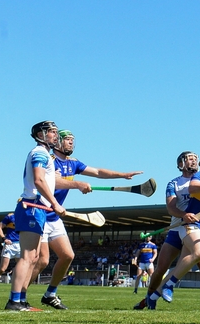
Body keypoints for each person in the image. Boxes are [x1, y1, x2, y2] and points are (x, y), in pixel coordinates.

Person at [32, 129, 142, 310]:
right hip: (42, 212)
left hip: (55, 216)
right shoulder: (49, 161)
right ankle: (19, 295)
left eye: (72, 140)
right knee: (42, 260)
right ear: (57, 141)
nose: (71, 143)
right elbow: (52, 182)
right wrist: (77, 184)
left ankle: (50, 294)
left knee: (68, 255)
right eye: (67, 140)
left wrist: (122, 175)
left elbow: (98, 172)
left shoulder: (73, 163)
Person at [134, 149, 200, 311]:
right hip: (178, 227)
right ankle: (149, 297)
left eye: (195, 159)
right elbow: (171, 207)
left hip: (196, 228)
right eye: (189, 159)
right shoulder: (174, 183)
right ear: (180, 164)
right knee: (162, 267)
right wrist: (183, 215)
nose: (193, 161)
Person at [6, 121, 65, 311]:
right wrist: (55, 203)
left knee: (34, 257)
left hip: (38, 208)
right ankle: (14, 301)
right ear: (40, 134)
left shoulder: (46, 155)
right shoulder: (39, 152)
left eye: (56, 132)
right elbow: (38, 180)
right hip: (32, 206)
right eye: (51, 132)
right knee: (27, 256)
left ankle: (21, 300)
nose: (55, 136)